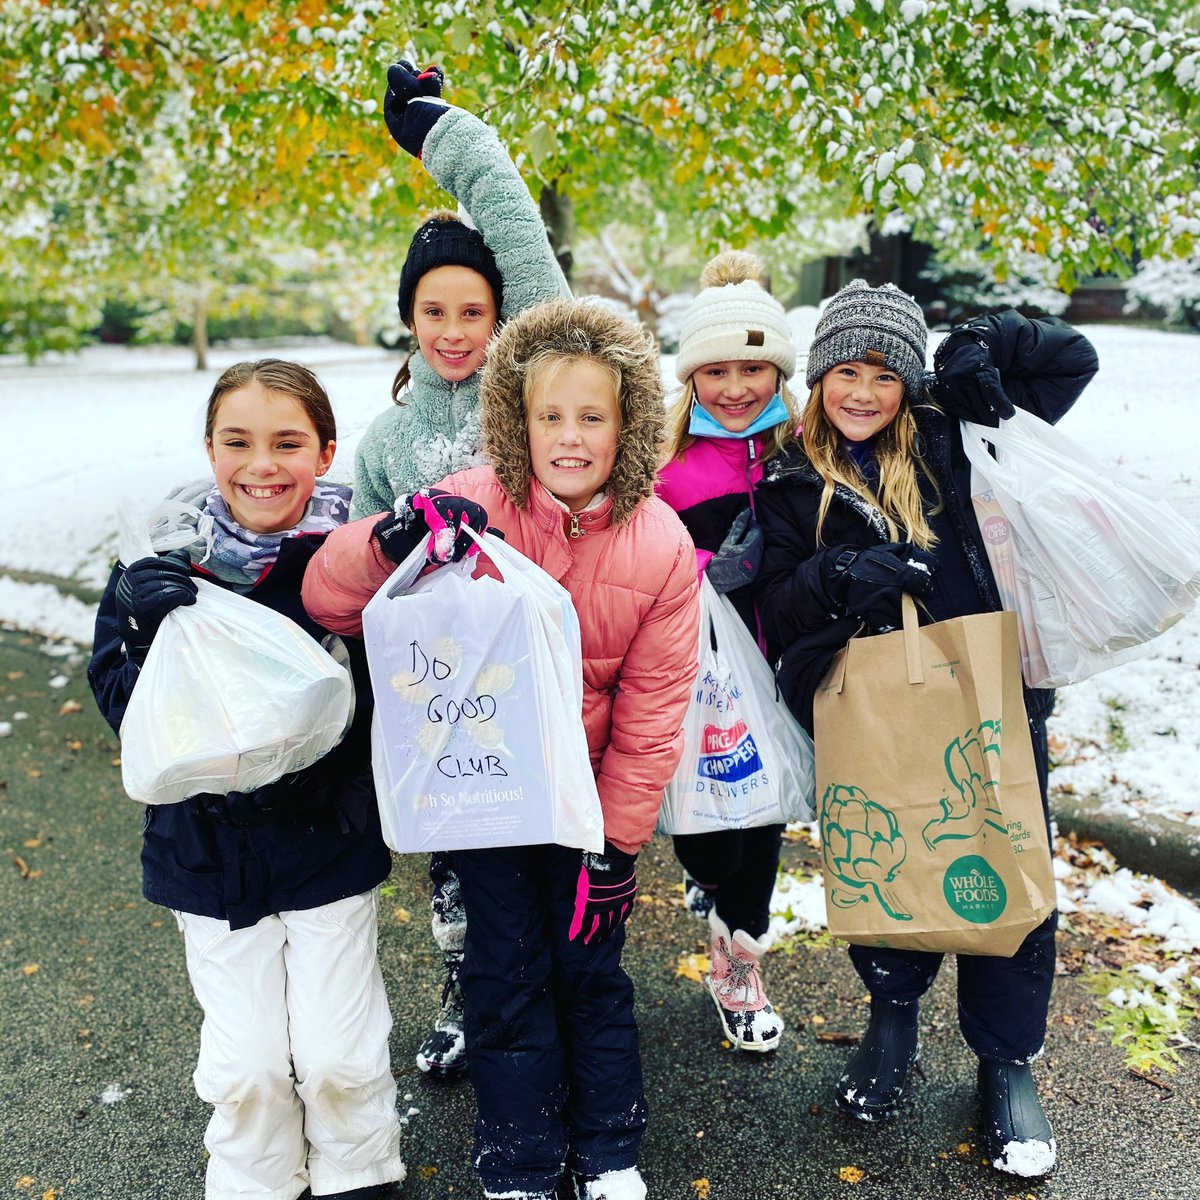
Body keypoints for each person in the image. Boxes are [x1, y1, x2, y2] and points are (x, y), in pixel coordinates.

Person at [303, 298, 701, 1200]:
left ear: (627, 423)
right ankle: (519, 1150)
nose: (570, 438)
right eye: (549, 416)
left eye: (592, 418)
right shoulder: (473, 505)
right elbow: (333, 597)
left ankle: (607, 1146)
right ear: (516, 422)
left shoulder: (661, 545)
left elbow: (651, 708)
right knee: (504, 966)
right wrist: (392, 539)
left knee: (589, 970)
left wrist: (620, 844)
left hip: (589, 810)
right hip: (487, 795)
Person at [753, 280, 1099, 1177]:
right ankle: (891, 1020)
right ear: (819, 376)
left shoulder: (955, 438)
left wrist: (978, 341)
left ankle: (1006, 1063)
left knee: (1009, 869)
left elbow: (1071, 359)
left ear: (908, 382)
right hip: (867, 714)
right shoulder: (791, 478)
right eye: (844, 372)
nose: (861, 393)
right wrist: (842, 575)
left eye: (883, 374)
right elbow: (776, 611)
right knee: (886, 864)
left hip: (989, 706)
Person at [87, 360, 405, 1200]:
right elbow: (127, 709)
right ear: (209, 448)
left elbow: (389, 703)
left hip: (327, 842)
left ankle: (359, 1170)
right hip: (206, 853)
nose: (261, 464)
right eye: (239, 441)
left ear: (327, 452)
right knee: (248, 1062)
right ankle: (255, 1176)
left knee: (338, 1051)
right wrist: (149, 635)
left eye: (287, 442)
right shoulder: (161, 561)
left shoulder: (351, 560)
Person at [355, 59, 571, 1079]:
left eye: (472, 312)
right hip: (433, 696)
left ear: (501, 321)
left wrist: (447, 135)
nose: (452, 330)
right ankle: (462, 992)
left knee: (540, 859)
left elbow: (521, 241)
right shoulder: (385, 443)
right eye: (432, 311)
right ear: (410, 319)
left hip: (530, 676)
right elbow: (353, 569)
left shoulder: (529, 394)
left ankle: (553, 1002)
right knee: (453, 869)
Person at [654, 250, 801, 1052]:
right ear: (692, 378)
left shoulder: (803, 449)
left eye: (756, 368)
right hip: (695, 675)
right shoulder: (666, 466)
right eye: (717, 371)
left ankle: (737, 958)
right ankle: (708, 882)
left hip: (779, 667)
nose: (737, 388)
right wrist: (710, 568)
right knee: (711, 834)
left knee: (765, 813)